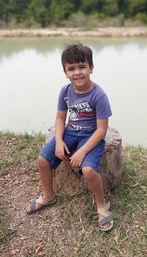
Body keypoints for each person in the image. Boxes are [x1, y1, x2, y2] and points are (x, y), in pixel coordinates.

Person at [27, 43, 113, 232]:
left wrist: (82, 151)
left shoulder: (99, 96)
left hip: (90, 136)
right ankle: (49, 196)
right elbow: (59, 118)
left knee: (89, 170)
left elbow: (101, 130)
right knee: (42, 161)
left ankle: (101, 205)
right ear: (65, 72)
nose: (77, 73)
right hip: (69, 132)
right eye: (71, 69)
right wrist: (59, 140)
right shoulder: (65, 91)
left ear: (91, 67)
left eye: (82, 67)